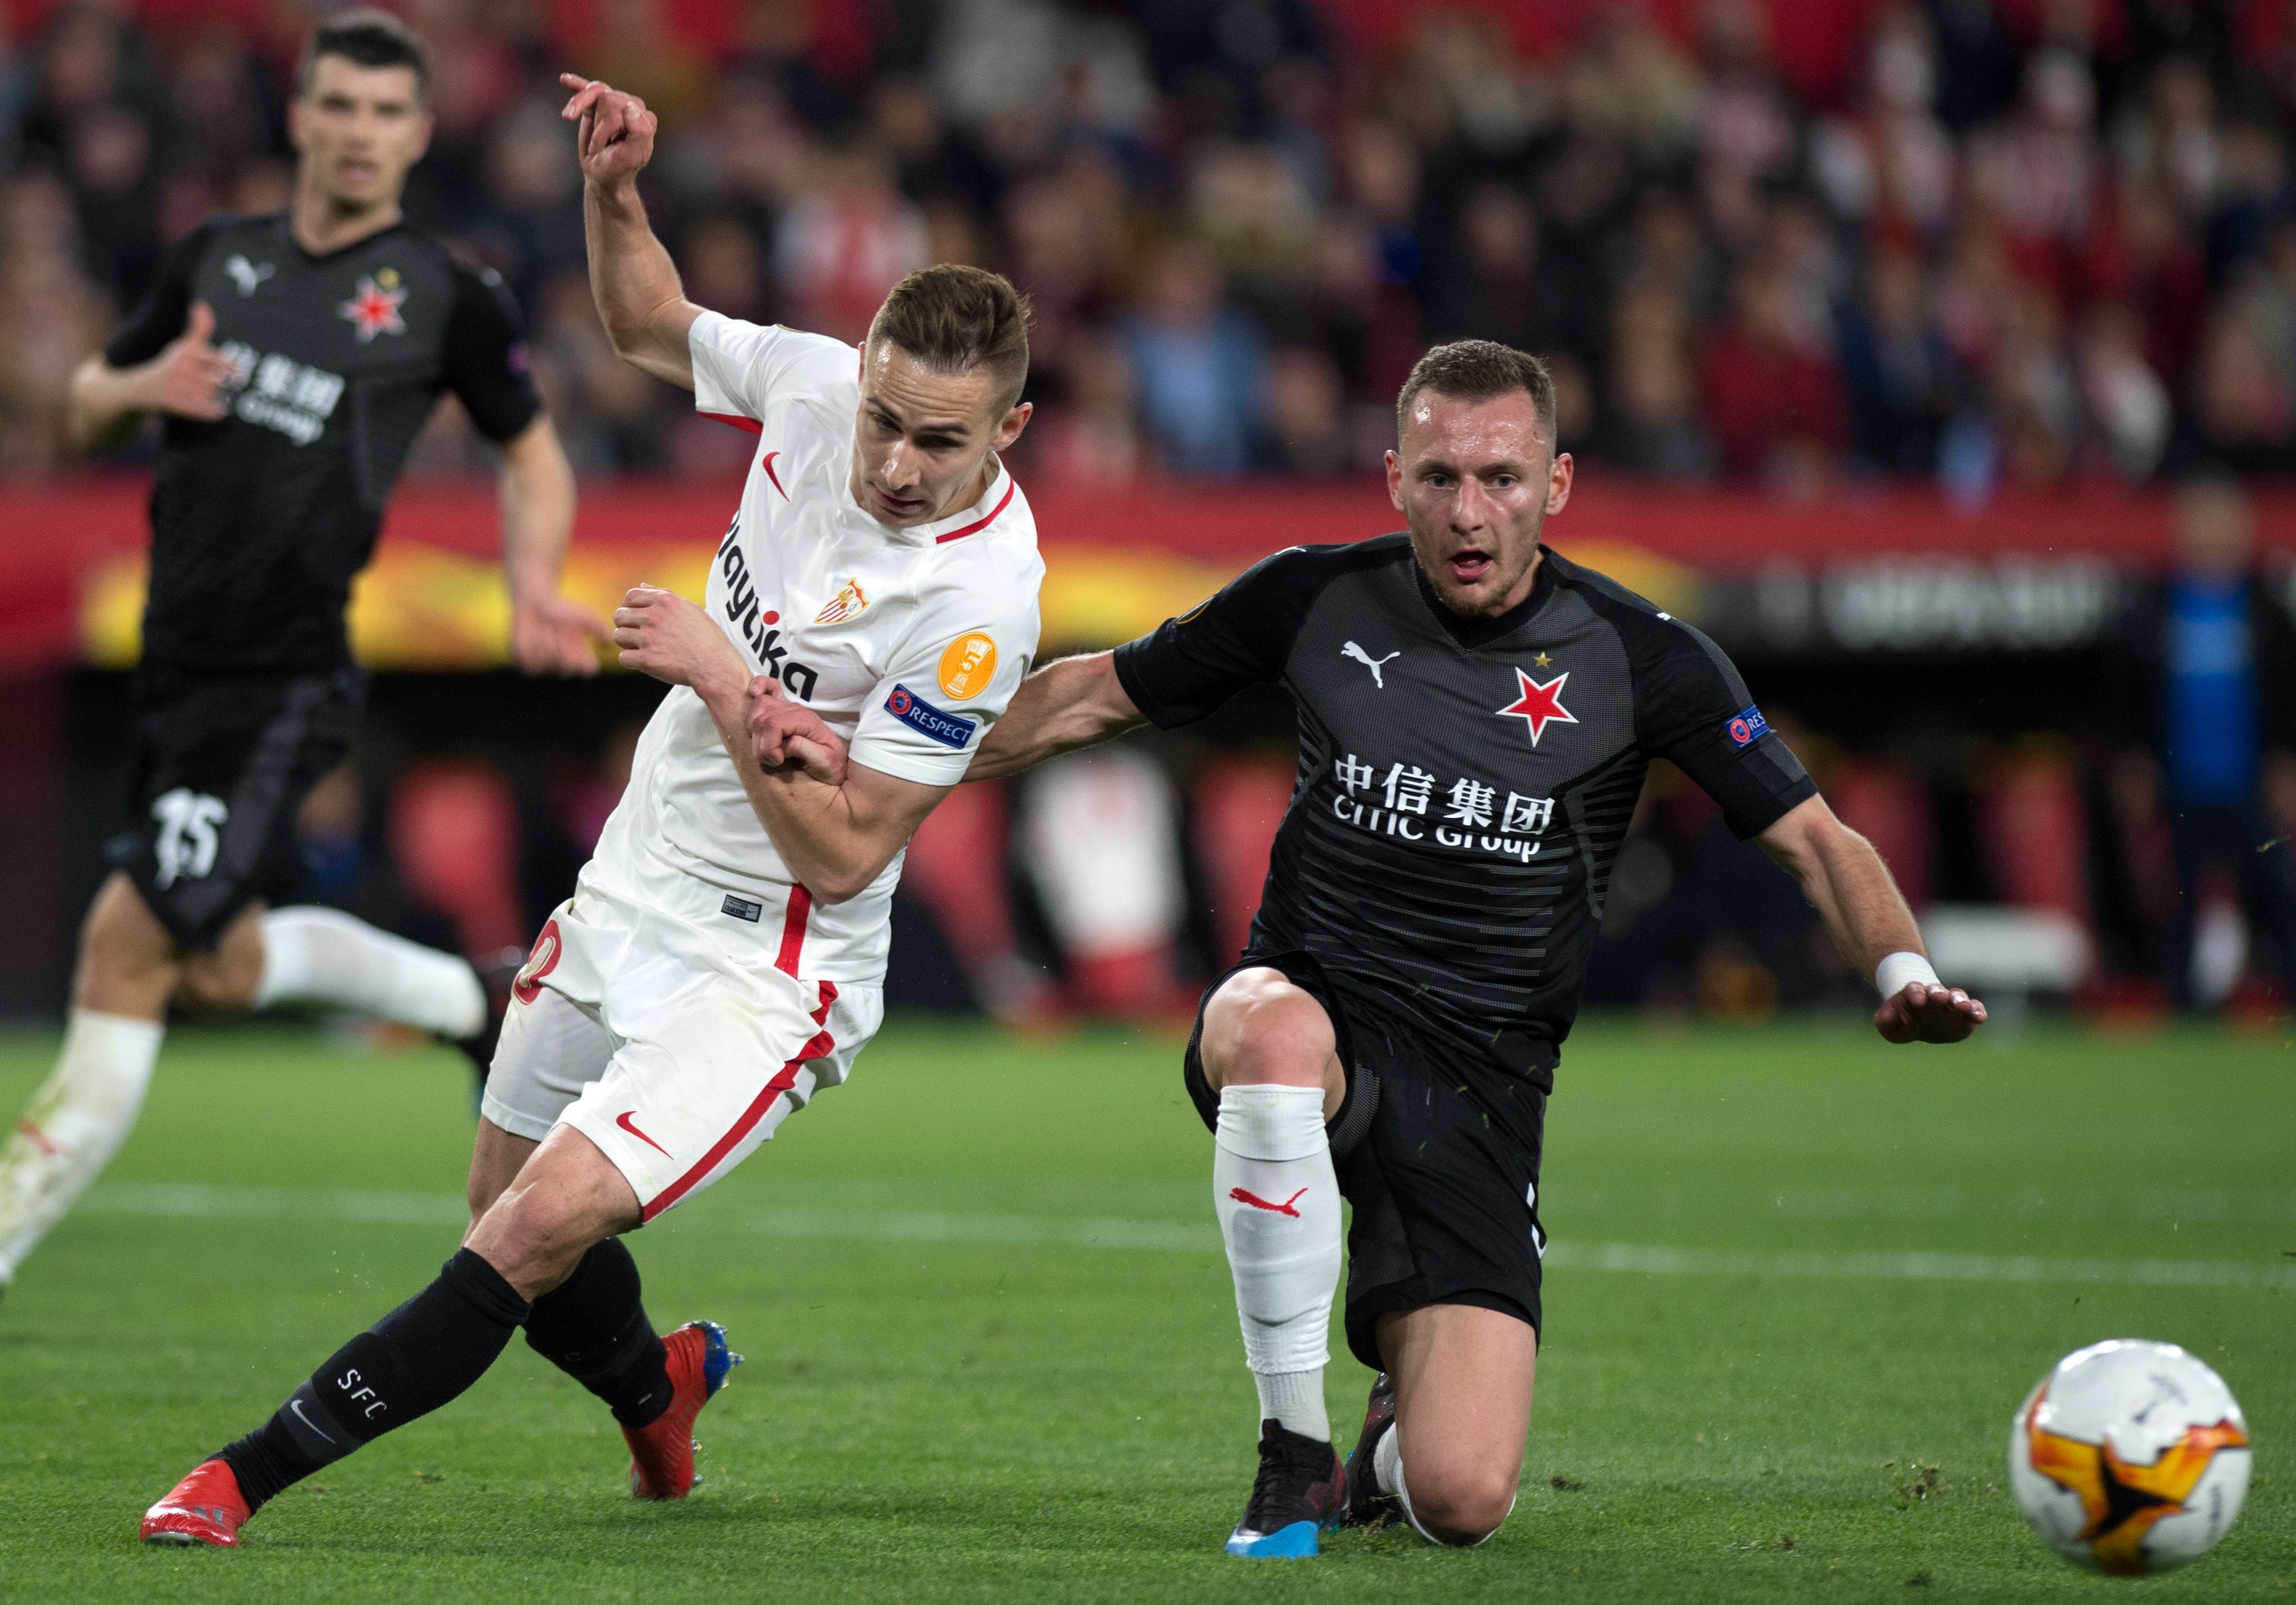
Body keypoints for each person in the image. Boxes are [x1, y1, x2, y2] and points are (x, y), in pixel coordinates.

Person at [752, 338, 1988, 1558]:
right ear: (1394, 476)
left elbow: (1816, 838)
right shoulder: (1316, 596)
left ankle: (1381, 1448)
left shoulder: (1641, 655)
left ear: (1555, 487)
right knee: (1273, 1032)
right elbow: (1088, 698)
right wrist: (871, 745)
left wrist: (1901, 970)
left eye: (1501, 479)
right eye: (1439, 475)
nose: (1469, 510)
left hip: (1483, 1083)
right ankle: (1290, 1452)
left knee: (1463, 1498)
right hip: (1309, 1006)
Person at [134, 73, 1043, 1548]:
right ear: (859, 364)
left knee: (535, 1225)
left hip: (772, 965)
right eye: (881, 417)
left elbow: (860, 843)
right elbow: (644, 325)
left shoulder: (980, 601)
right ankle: (661, 1389)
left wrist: (726, 674)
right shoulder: (814, 382)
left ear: (1011, 424)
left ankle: (241, 1475)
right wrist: (613, 193)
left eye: (938, 442)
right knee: (502, 1212)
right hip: (637, 874)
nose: (890, 462)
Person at [0, 12, 603, 1339]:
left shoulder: (443, 293)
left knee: (125, 941)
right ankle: (467, 997)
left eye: (386, 112)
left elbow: (536, 453)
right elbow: (87, 400)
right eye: (336, 104)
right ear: (301, 115)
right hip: (175, 664)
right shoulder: (219, 256)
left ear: (418, 132)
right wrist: (142, 379)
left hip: (279, 680)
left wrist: (533, 583)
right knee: (204, 967)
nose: (357, 131)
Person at [2107, 472, 2296, 1005]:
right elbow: (2128, 698)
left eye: (2222, 520)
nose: (2211, 532)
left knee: (2277, 892)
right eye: (2199, 519)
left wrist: (2285, 762)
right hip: (2182, 782)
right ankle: (2180, 1005)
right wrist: (2134, 762)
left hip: (2248, 782)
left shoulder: (2268, 613)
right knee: (2178, 902)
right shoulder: (2151, 611)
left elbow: (2285, 697)